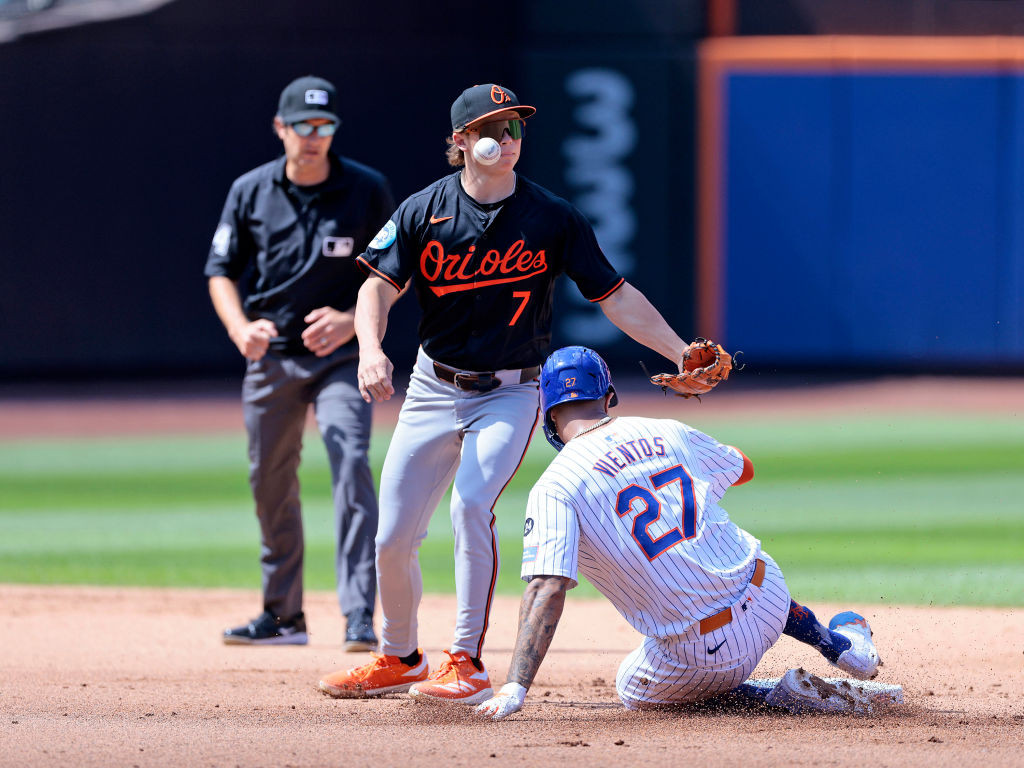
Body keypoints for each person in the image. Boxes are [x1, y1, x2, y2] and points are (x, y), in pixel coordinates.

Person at [317, 83, 703, 704]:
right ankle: (398, 655)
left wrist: (680, 351)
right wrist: (368, 350)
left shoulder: (552, 216)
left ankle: (465, 661)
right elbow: (375, 288)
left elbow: (616, 295)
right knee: (391, 535)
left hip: (510, 392)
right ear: (462, 141)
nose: (509, 137)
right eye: (494, 126)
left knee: (470, 506)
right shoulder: (423, 210)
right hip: (432, 385)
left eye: (517, 126)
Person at [473, 346, 889, 720]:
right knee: (733, 561)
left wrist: (515, 687)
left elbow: (547, 586)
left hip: (704, 657)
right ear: (609, 396)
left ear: (546, 411)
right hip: (771, 597)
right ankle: (846, 649)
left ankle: (774, 697)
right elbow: (743, 467)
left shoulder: (555, 486)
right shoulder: (667, 428)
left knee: (631, 687)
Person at [205, 75, 394, 650]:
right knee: (270, 479)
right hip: (271, 360)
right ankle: (283, 616)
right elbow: (220, 271)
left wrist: (347, 321)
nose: (315, 137)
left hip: (340, 359)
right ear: (281, 128)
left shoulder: (366, 189)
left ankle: (360, 614)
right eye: (304, 127)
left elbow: (395, 273)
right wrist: (241, 329)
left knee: (350, 461)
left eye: (325, 126)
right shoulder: (250, 190)